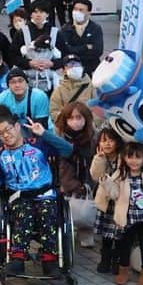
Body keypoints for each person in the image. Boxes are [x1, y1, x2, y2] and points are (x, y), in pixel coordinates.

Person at [0, 109, 73, 277]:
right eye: (0, 133)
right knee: (23, 212)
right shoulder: (0, 157)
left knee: (47, 213)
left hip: (45, 194)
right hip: (18, 197)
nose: (5, 135)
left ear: (17, 127)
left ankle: (50, 260)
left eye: (8, 130)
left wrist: (44, 134)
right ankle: (17, 259)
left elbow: (68, 150)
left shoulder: (38, 144)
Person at [102, 142, 143, 285]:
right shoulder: (120, 174)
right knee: (125, 245)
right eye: (130, 157)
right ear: (124, 158)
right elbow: (115, 195)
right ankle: (124, 270)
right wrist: (107, 183)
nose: (134, 161)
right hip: (127, 216)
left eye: (138, 157)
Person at [55, 102, 97, 247]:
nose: (75, 122)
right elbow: (60, 164)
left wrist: (87, 183)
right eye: (71, 118)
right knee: (65, 208)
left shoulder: (94, 138)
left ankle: (86, 231)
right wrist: (69, 184)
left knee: (87, 208)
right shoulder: (59, 137)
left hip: (88, 177)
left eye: (79, 117)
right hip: (65, 179)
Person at [91, 127, 125, 274]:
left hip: (119, 201)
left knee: (118, 234)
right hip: (105, 201)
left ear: (118, 142)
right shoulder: (99, 157)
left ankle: (117, 260)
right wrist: (99, 159)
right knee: (106, 234)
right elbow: (95, 175)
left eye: (111, 140)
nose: (107, 144)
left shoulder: (122, 158)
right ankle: (105, 259)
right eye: (104, 140)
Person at [56, 0, 104, 76]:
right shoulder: (65, 29)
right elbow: (64, 50)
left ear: (89, 13)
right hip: (70, 69)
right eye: (75, 9)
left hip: (90, 68)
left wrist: (74, 50)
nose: (77, 12)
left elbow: (98, 50)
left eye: (81, 10)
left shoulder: (95, 28)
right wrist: (85, 47)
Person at [49, 54, 94, 124]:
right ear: (63, 70)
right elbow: (54, 112)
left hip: (89, 128)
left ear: (82, 67)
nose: (74, 67)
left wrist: (89, 125)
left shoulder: (92, 86)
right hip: (67, 128)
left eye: (76, 64)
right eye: (69, 65)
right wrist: (69, 123)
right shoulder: (59, 90)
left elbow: (98, 109)